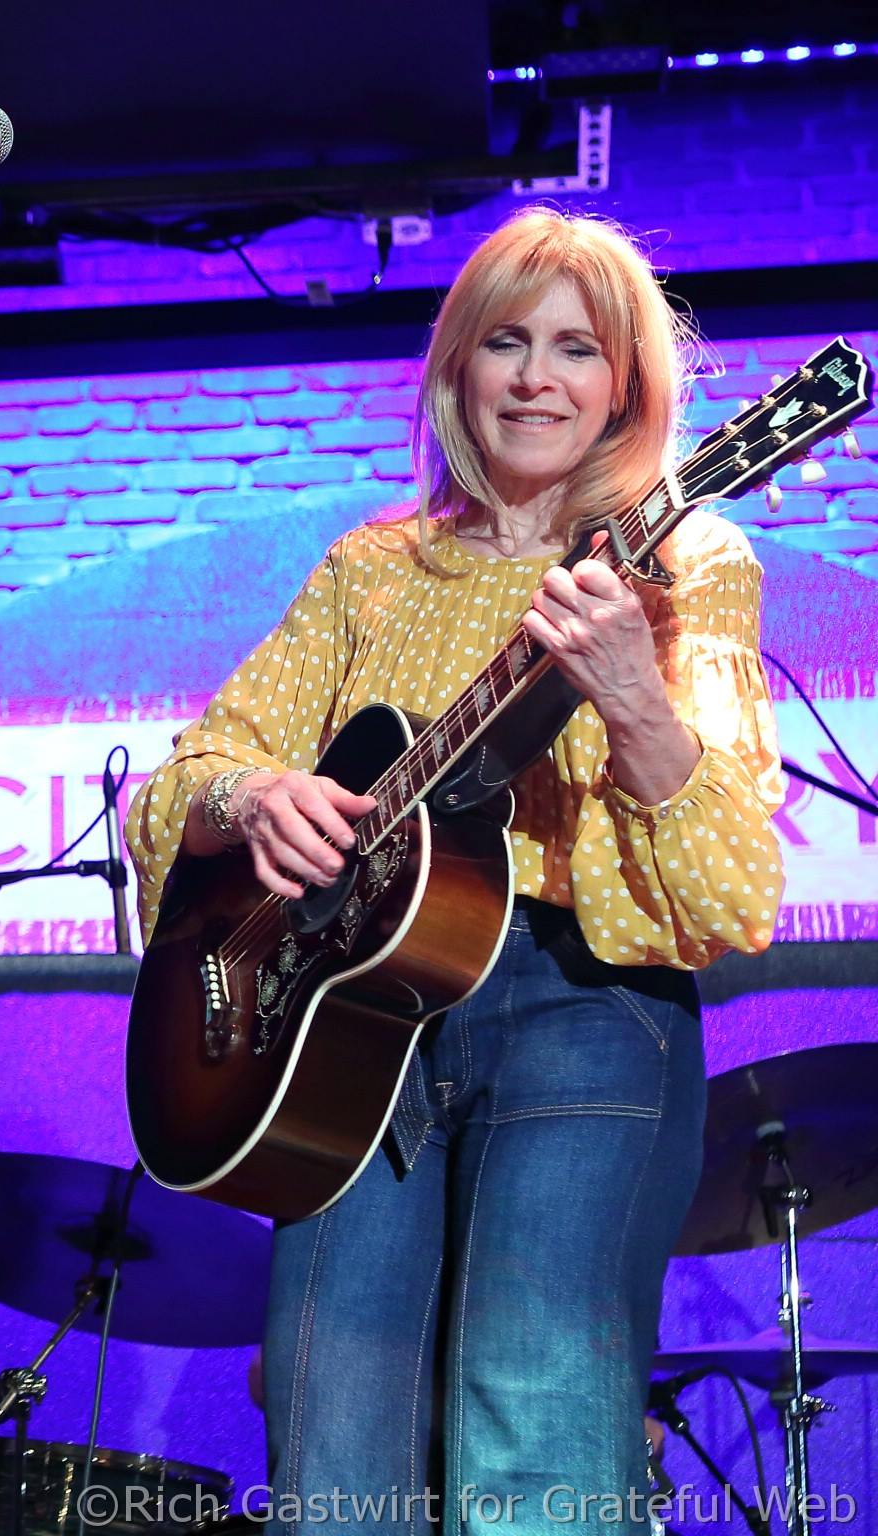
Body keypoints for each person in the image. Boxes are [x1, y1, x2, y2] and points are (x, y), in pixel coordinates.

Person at [125, 208, 785, 1533]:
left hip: (581, 1011)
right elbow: (180, 785)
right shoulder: (374, 569)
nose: (538, 379)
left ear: (626, 387)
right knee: (332, 1465)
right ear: (457, 372)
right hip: (345, 1040)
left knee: (530, 1453)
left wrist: (634, 702)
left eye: (576, 351)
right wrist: (260, 798)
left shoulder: (686, 566)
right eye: (507, 343)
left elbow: (731, 896)